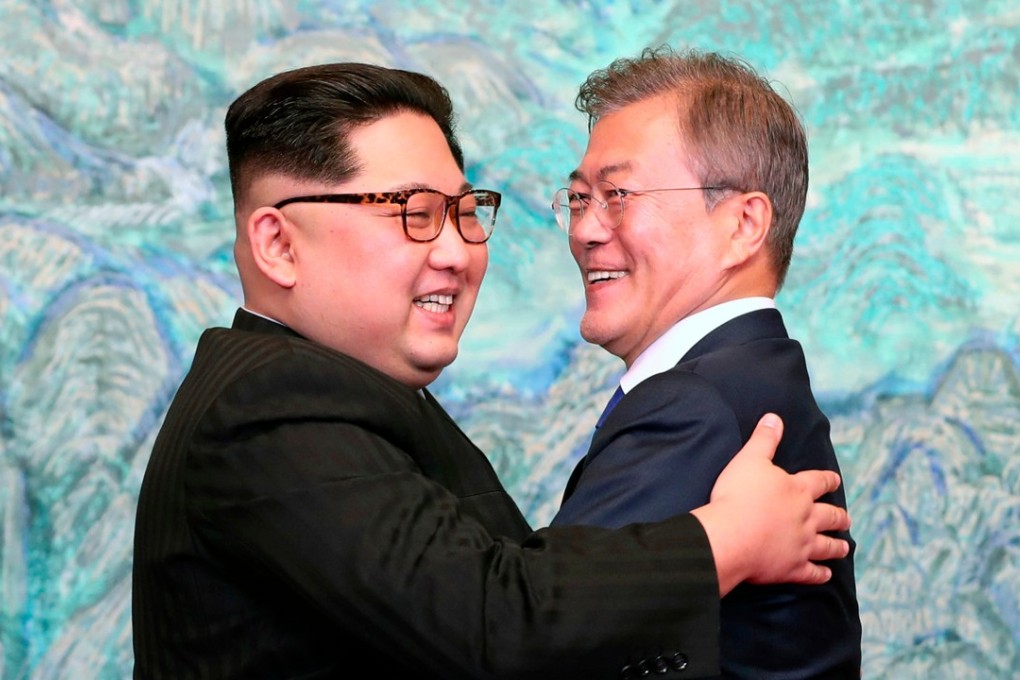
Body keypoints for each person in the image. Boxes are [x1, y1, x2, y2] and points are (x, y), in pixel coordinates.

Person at [132, 62, 852, 680]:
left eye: (465, 211)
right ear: (279, 246)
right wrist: (727, 539)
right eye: (413, 212)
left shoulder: (359, 397)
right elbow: (503, 624)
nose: (457, 249)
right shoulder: (269, 407)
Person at [549, 47, 862, 678]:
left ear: (743, 225)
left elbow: (541, 632)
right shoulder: (750, 380)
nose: (583, 230)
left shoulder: (695, 404)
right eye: (579, 199)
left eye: (618, 194)